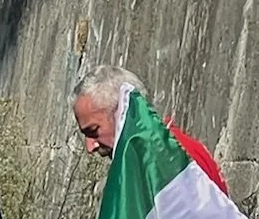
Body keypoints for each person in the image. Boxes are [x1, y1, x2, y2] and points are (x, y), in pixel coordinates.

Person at [71, 64, 229, 189]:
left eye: (93, 131)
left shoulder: (170, 160)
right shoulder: (170, 150)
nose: (90, 147)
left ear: (124, 113)